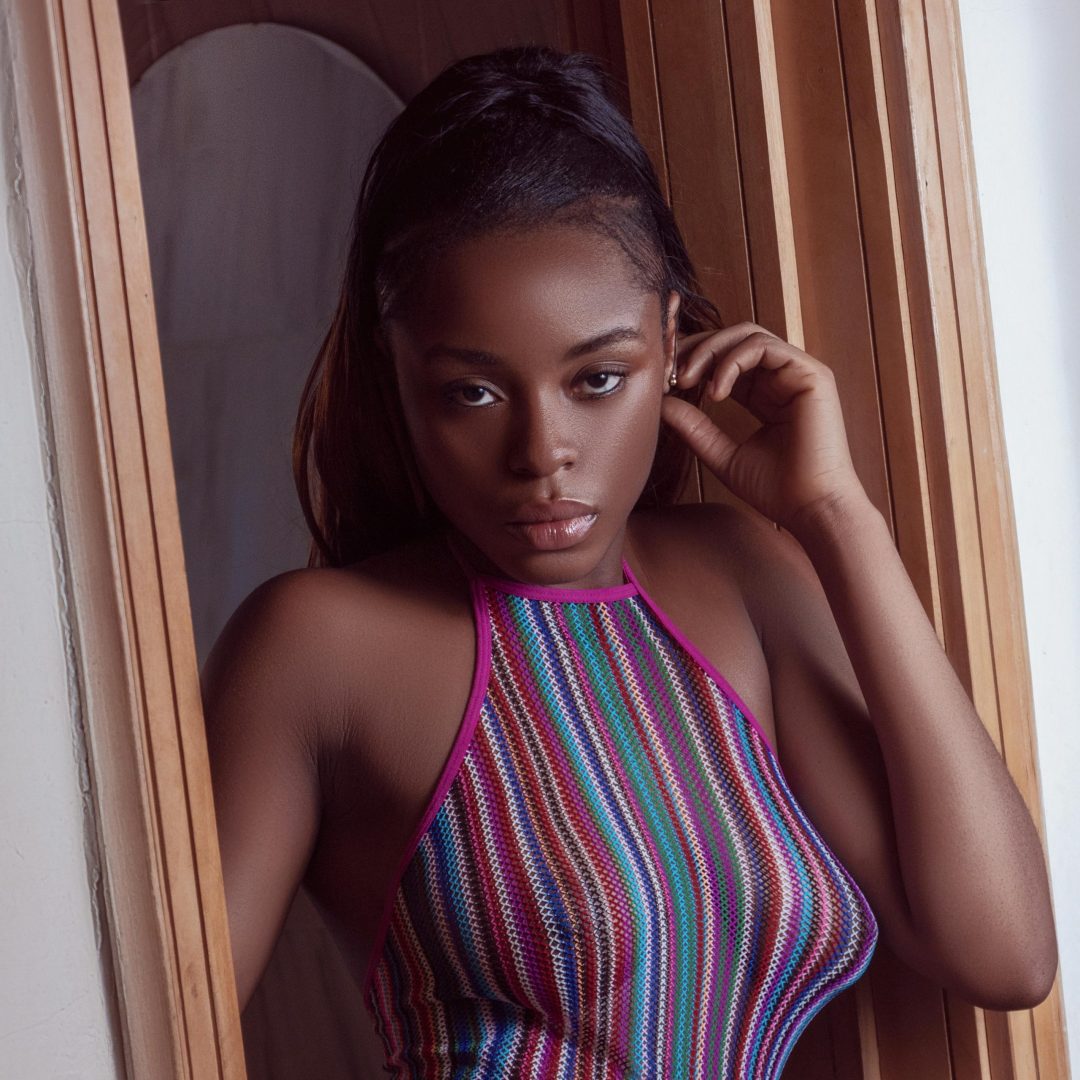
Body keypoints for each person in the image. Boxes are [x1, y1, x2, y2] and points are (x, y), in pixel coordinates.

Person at [201, 44, 1058, 1078]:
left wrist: (837, 517)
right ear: (397, 377)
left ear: (671, 340)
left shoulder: (745, 575)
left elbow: (1003, 954)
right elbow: (149, 1033)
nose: (541, 453)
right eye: (471, 392)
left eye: (598, 378)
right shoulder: (316, 646)